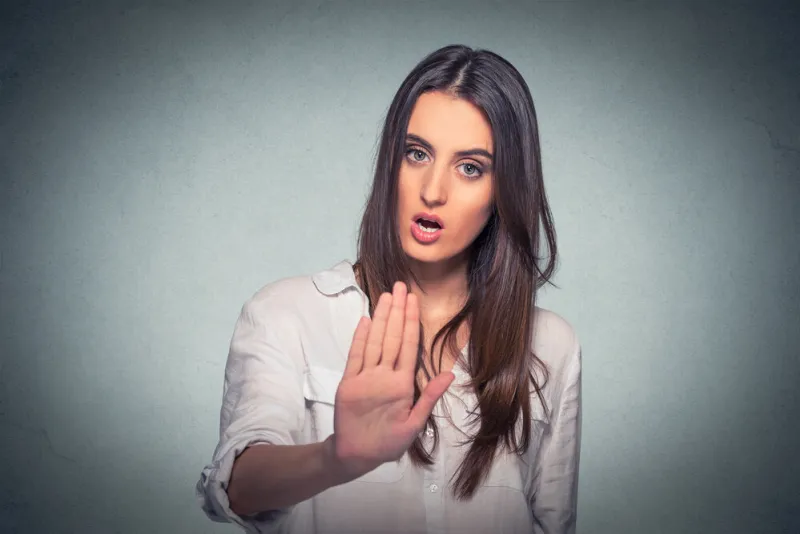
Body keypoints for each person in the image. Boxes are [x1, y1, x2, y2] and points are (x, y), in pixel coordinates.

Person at [196, 44, 582, 534]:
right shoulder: (286, 314)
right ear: (389, 162)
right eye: (416, 153)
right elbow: (237, 488)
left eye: (470, 167)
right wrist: (334, 458)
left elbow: (554, 523)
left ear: (505, 189)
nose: (433, 190)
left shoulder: (552, 345)